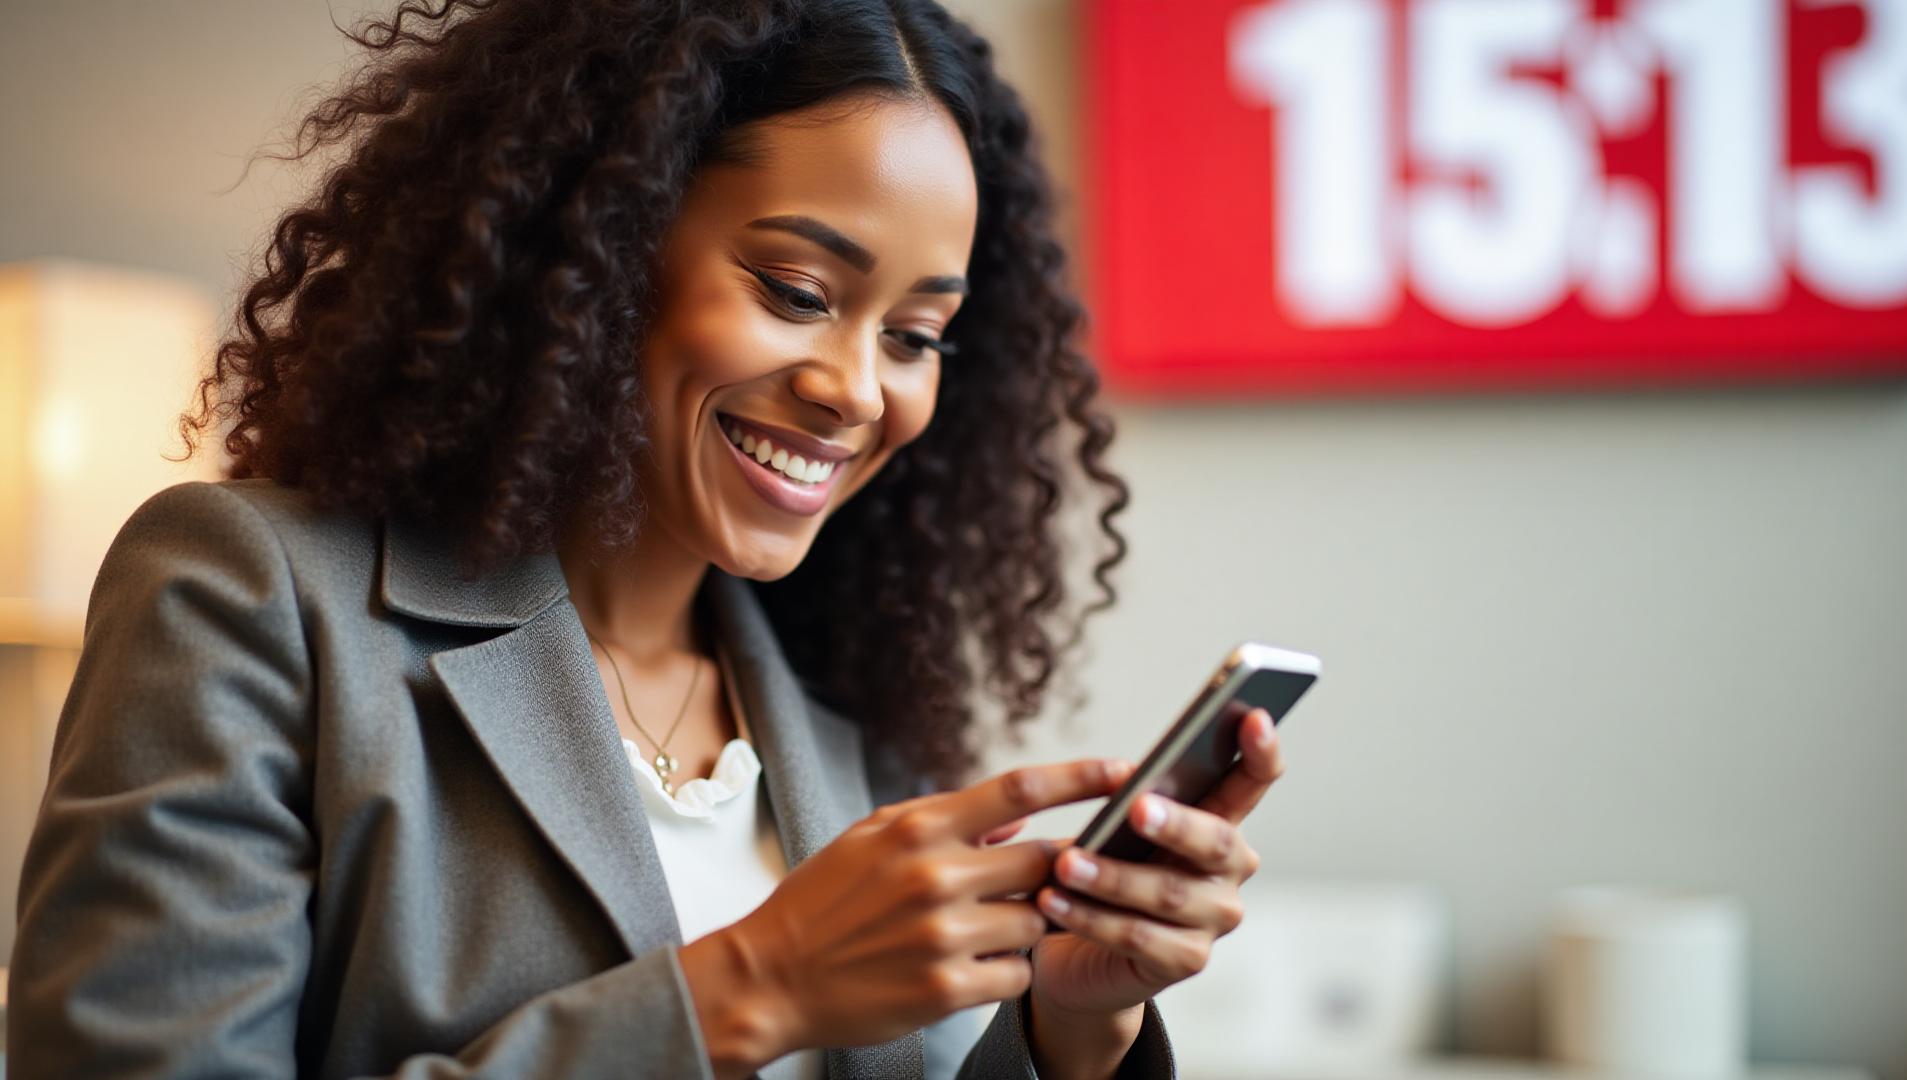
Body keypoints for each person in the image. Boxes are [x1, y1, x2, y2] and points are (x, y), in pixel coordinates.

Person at [6, 1, 1287, 1077]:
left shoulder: (852, 724)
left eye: (913, 335)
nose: (856, 387)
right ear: (597, 247)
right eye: (797, 293)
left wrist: (1077, 1023)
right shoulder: (250, 593)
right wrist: (753, 986)